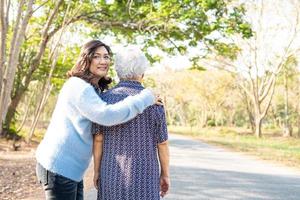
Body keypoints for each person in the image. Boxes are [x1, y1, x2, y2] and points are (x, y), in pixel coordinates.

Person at [35, 40, 161, 200]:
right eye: (97, 56)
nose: (103, 61)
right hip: (59, 166)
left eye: (106, 57)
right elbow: (106, 116)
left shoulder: (93, 89)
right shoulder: (78, 86)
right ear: (86, 59)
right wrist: (145, 98)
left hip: (72, 170)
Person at [92, 46, 170, 200]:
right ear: (142, 73)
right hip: (146, 178)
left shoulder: (103, 100)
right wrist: (165, 174)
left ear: (118, 71)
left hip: (111, 175)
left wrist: (96, 171)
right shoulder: (154, 102)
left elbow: (98, 139)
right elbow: (162, 144)